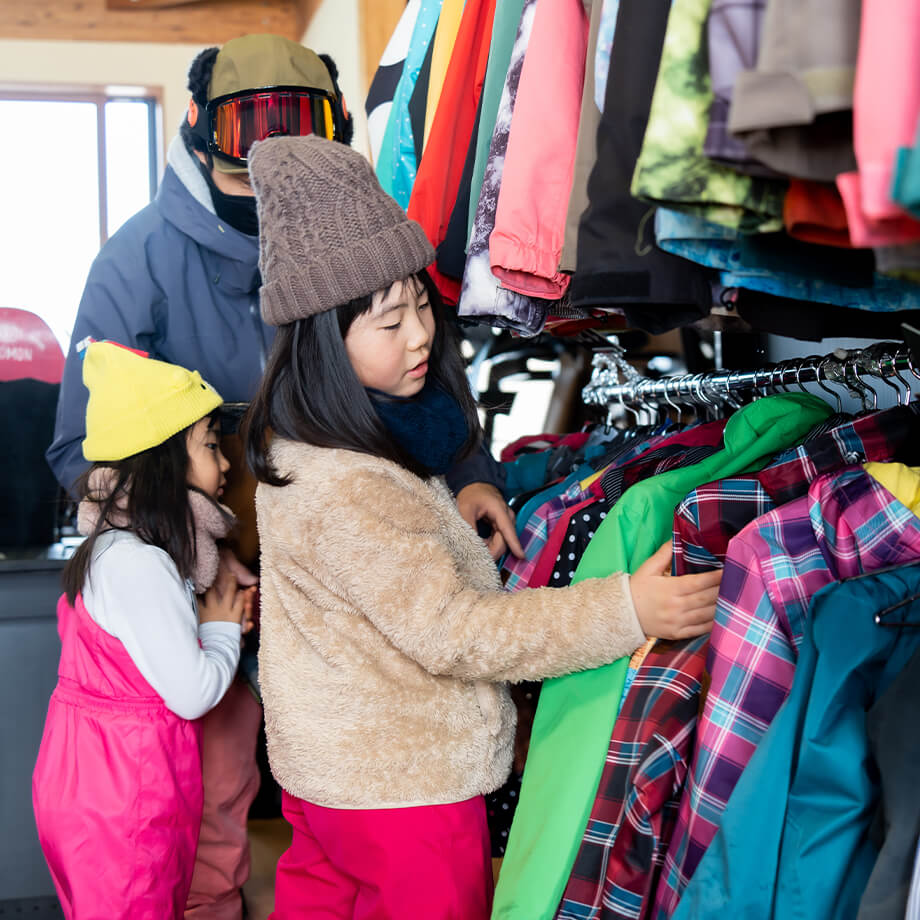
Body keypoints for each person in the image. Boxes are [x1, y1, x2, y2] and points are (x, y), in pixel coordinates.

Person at [44, 32, 522, 920]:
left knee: (347, 796)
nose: (267, 189)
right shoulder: (137, 262)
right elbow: (85, 448)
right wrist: (191, 551)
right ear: (200, 137)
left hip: (355, 591)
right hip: (215, 589)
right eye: (247, 166)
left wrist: (468, 467)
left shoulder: (357, 242)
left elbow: (425, 371)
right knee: (212, 804)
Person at [242, 134, 723, 920]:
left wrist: (464, 481)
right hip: (405, 794)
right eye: (388, 322)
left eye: (418, 304)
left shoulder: (306, 440)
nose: (421, 336)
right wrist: (627, 609)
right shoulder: (353, 489)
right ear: (326, 343)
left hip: (327, 780)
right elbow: (460, 633)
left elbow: (416, 470)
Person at [32, 341, 255, 918]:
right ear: (163, 462)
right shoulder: (140, 562)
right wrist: (222, 628)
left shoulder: (111, 547)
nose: (226, 462)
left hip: (91, 781)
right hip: (127, 794)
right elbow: (192, 692)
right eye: (209, 445)